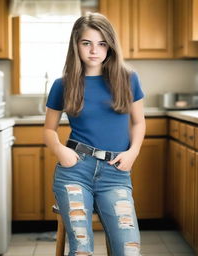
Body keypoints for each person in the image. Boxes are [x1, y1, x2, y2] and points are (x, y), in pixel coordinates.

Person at [44, 12, 146, 256]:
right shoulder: (63, 83)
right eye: (86, 43)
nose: (94, 50)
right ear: (75, 45)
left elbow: (139, 122)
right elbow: (49, 130)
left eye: (102, 43)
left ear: (110, 45)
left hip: (115, 174)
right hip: (75, 172)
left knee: (129, 250)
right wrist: (60, 150)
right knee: (82, 250)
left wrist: (133, 153)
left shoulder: (128, 78)